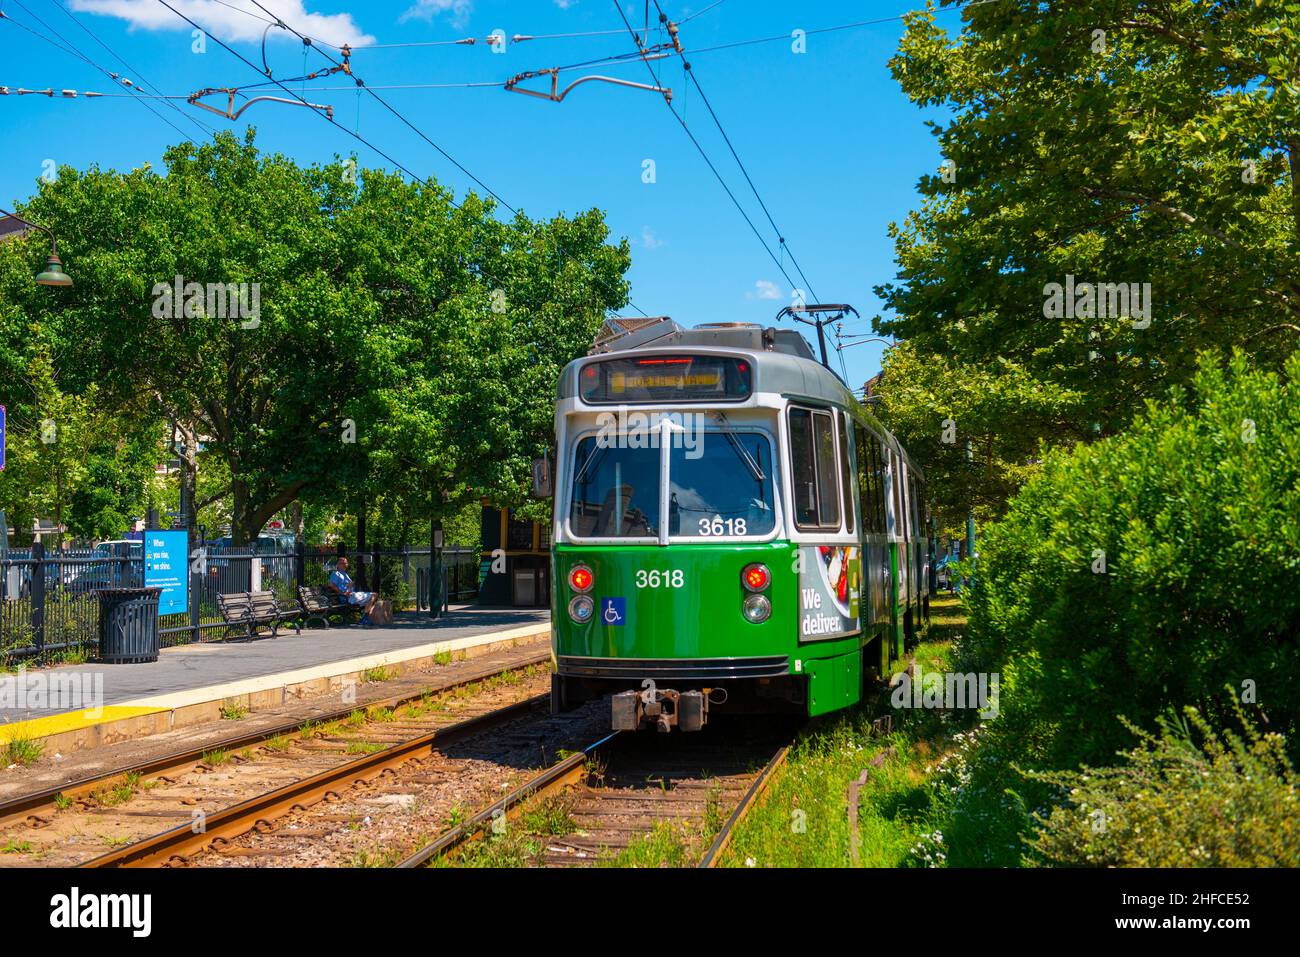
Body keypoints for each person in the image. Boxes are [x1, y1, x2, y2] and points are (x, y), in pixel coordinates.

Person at [328, 556, 379, 625]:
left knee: (373, 597)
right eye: (343, 563)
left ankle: (366, 618)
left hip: (353, 595)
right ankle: (364, 619)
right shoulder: (336, 574)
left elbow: (348, 585)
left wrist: (351, 584)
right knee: (374, 595)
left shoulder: (345, 574)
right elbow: (331, 585)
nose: (345, 565)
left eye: (346, 563)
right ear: (338, 565)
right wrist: (342, 593)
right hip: (347, 597)